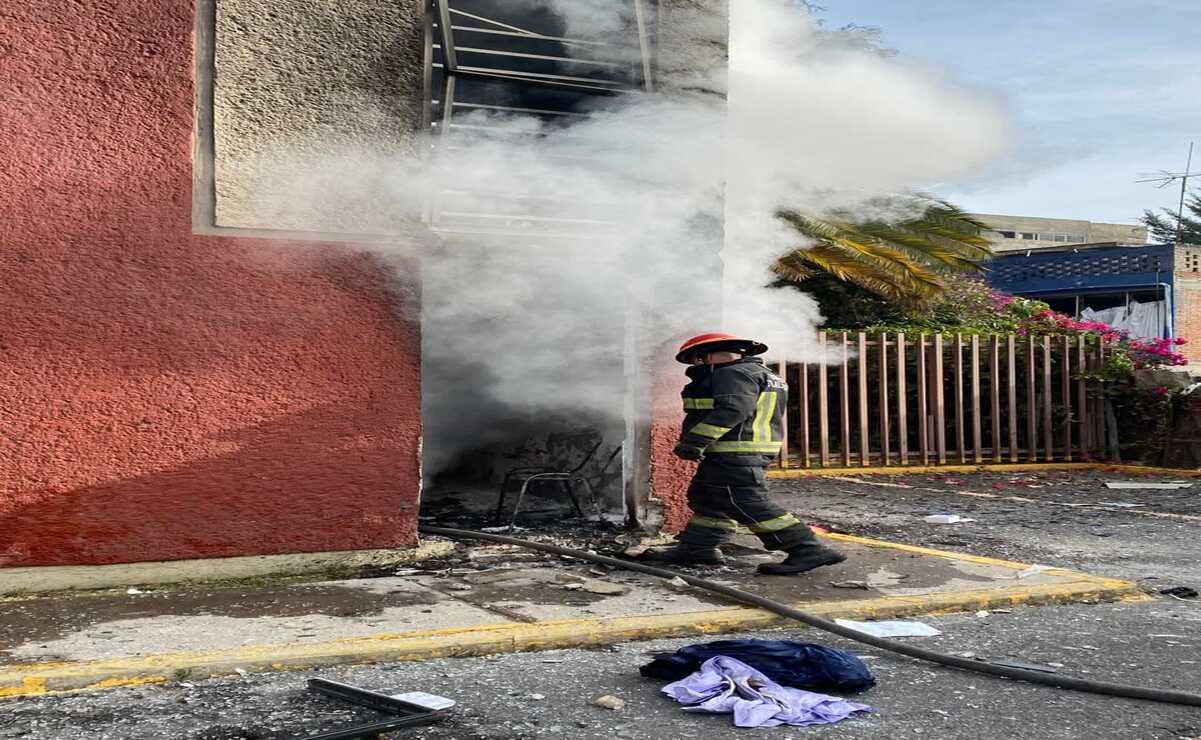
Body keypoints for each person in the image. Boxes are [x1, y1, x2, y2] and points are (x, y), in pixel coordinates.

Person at [639, 333, 846, 575]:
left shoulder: (731, 373)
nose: (697, 365)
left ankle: (806, 548)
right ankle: (697, 549)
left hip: (735, 451)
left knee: (744, 501)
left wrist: (694, 441)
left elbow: (733, 409)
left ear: (709, 356)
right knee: (709, 498)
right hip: (742, 450)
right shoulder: (763, 374)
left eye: (697, 359)